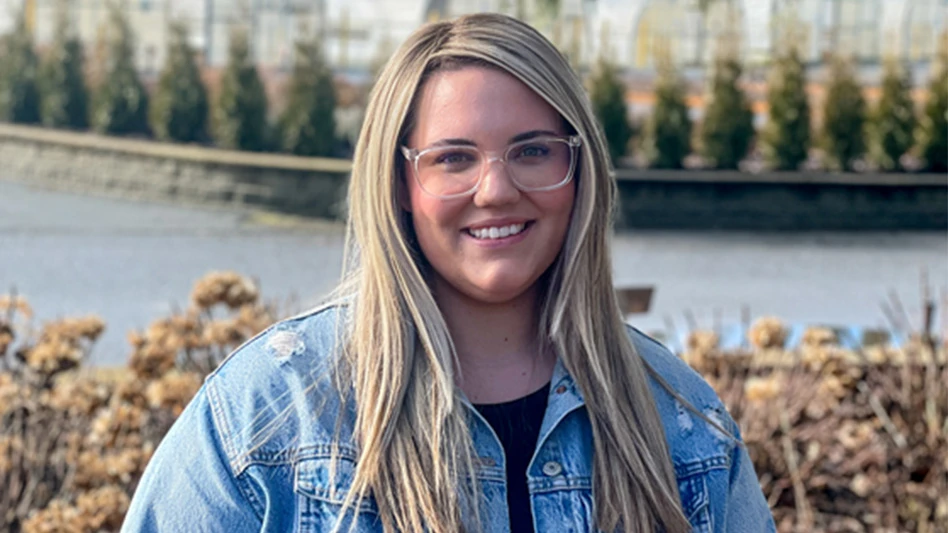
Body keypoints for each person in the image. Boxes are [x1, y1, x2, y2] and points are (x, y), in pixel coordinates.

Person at [122, 13, 776, 533]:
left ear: (579, 171)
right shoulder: (267, 415)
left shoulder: (682, 422)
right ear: (401, 181)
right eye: (453, 158)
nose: (495, 189)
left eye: (533, 151)